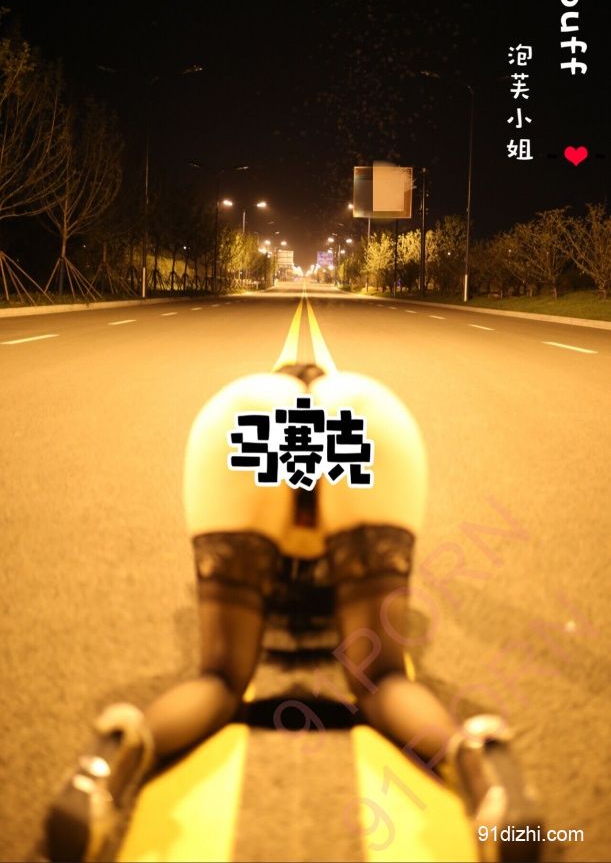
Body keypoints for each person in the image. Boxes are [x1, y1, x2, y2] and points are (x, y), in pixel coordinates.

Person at [47, 365, 539, 862]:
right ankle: (479, 761)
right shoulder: (348, 406)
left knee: (220, 677)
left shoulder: (260, 405)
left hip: (247, 412)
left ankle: (107, 764)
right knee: (381, 678)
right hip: (362, 413)